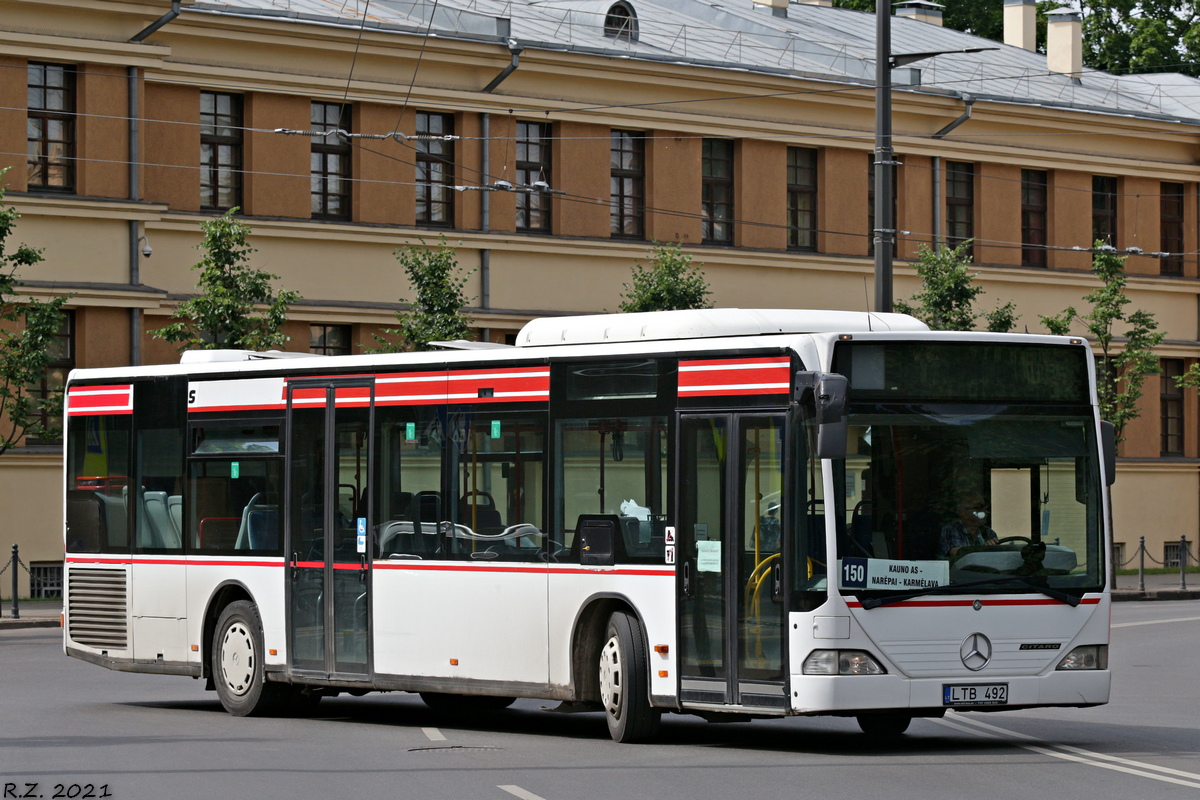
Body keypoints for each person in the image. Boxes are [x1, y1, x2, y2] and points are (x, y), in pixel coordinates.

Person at [937, 491, 998, 559]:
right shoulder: (952, 529)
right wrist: (983, 549)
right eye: (978, 507)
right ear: (962, 512)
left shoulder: (989, 532)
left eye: (984, 507)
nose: (983, 511)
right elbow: (958, 554)